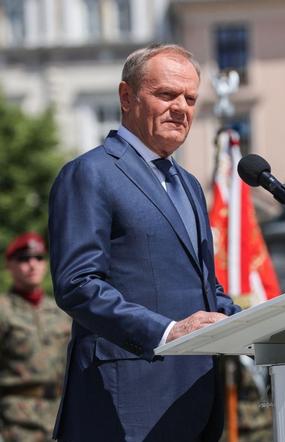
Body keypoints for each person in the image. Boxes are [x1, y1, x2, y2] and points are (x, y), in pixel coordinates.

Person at [48, 44, 241, 441]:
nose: (181, 108)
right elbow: (78, 286)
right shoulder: (91, 173)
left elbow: (206, 289)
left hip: (195, 401)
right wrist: (166, 332)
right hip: (125, 402)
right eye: (166, 95)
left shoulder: (188, 184)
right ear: (126, 97)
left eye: (190, 98)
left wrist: (263, 324)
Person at [0, 233, 70, 442]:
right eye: (23, 259)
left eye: (38, 258)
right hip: (16, 423)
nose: (32, 265)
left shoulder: (61, 310)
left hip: (59, 417)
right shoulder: (3, 309)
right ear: (9, 266)